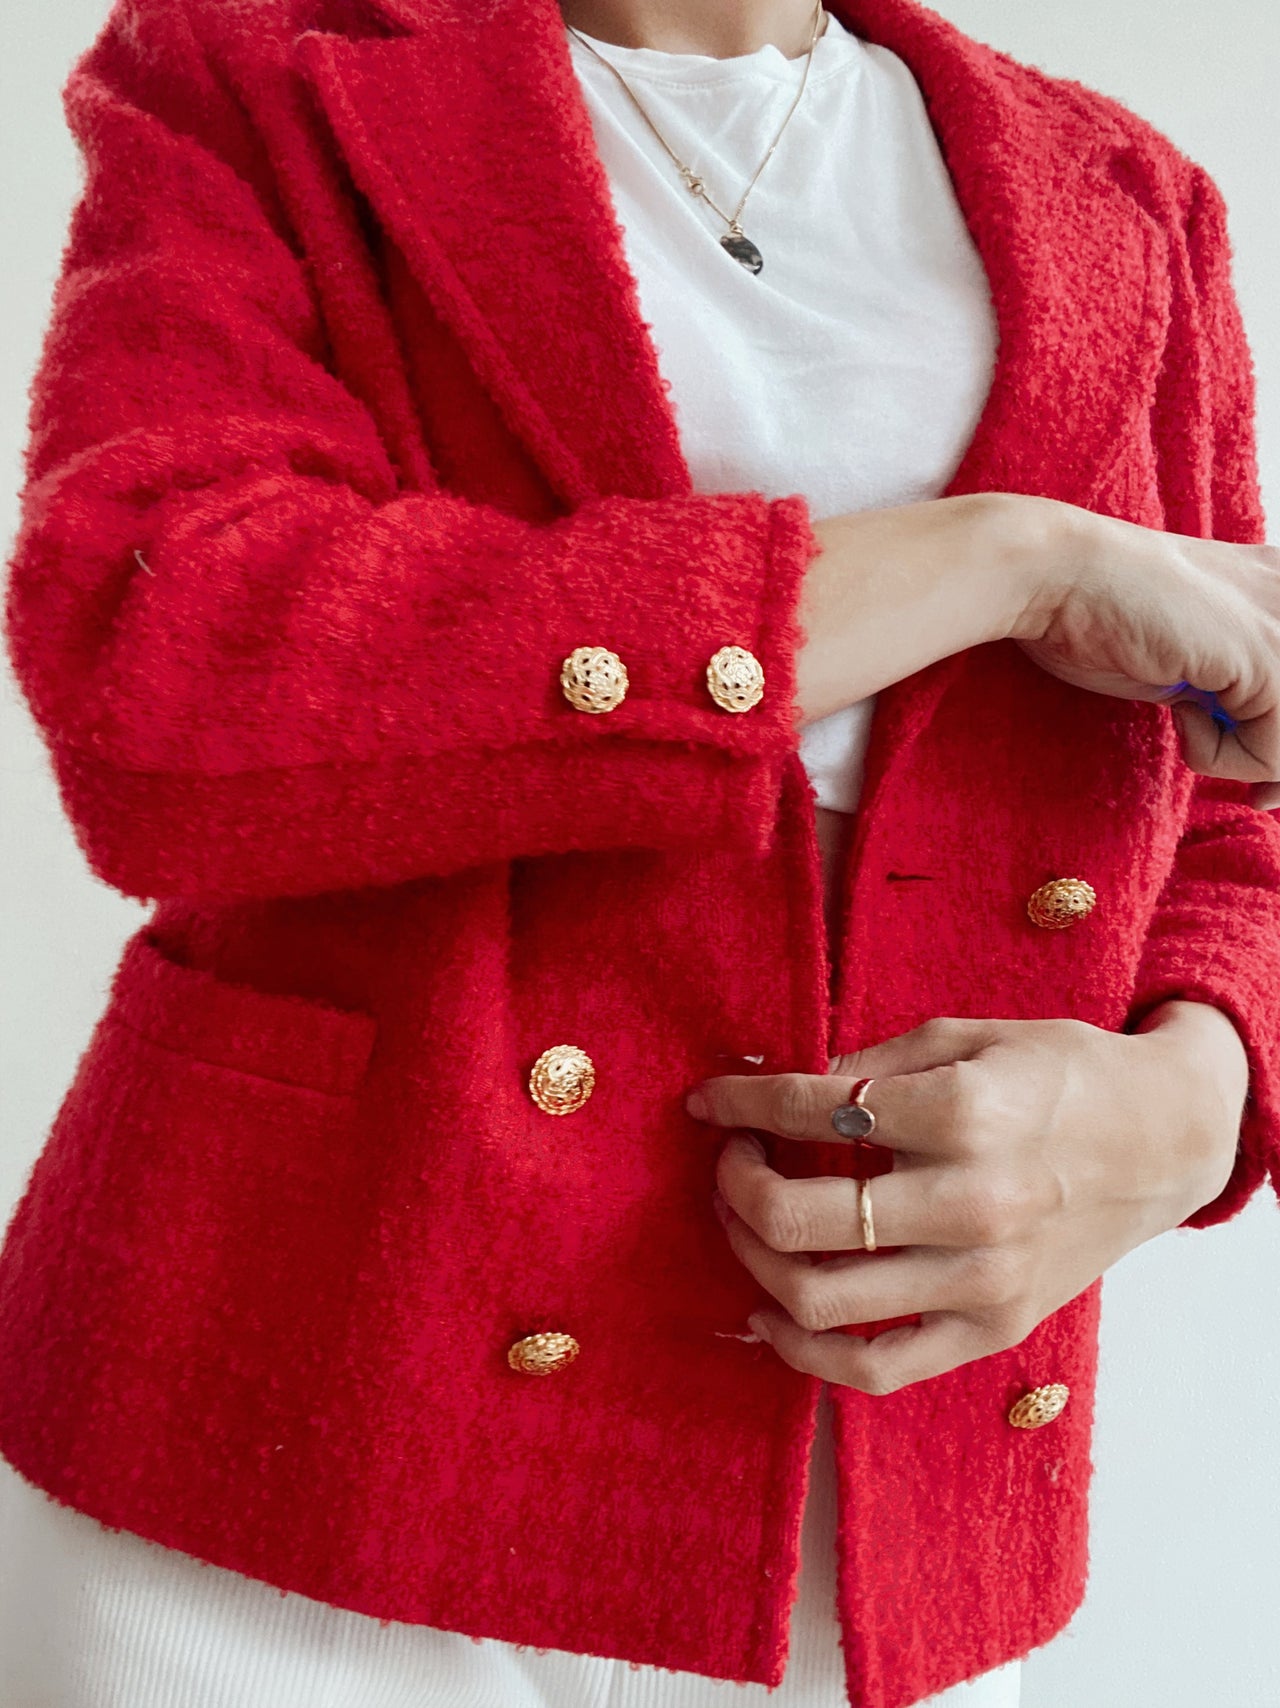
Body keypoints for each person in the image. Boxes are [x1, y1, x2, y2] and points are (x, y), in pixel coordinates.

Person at [1, 0, 1278, 1704]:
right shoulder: (259, 69)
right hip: (297, 1429)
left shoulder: (1126, 193)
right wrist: (1001, 561)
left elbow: (1237, 790)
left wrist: (1195, 1106)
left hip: (881, 1472)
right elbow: (159, 670)